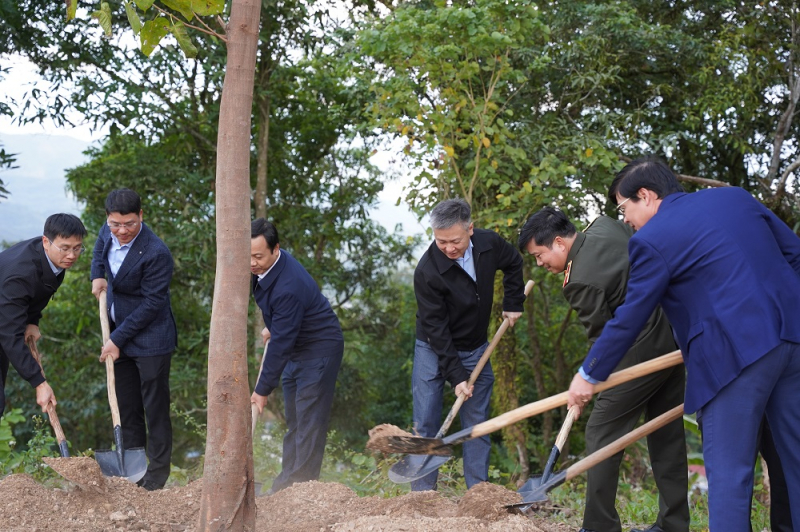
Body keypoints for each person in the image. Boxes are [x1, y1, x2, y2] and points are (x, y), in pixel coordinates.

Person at [566, 156, 800, 531]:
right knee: (794, 460)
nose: (625, 220)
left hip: (733, 357)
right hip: (792, 338)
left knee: (730, 474)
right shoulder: (735, 197)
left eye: (623, 208)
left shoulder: (651, 240)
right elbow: (794, 255)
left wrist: (588, 374)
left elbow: (630, 317)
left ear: (646, 195)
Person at [518, 207, 689, 532]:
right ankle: (673, 525)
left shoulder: (579, 281)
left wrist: (588, 379)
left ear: (559, 243)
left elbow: (604, 337)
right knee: (666, 435)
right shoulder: (604, 226)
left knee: (600, 432)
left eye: (539, 255)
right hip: (672, 337)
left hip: (638, 352)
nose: (540, 264)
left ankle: (599, 527)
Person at [412, 198, 525, 491]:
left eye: (455, 241)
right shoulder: (427, 271)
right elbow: (436, 330)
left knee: (477, 423)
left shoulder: (488, 244)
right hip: (433, 347)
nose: (449, 248)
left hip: (475, 347)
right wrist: (457, 375)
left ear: (470, 229)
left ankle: (478, 493)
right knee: (426, 421)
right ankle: (422, 495)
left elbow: (514, 262)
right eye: (441, 242)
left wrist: (513, 302)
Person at [250, 218, 344, 494]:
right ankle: (286, 486)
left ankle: (301, 490)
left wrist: (262, 390)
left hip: (318, 351)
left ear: (276, 249)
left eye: (258, 256)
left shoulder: (288, 286)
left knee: (309, 423)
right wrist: (275, 324)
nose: (252, 263)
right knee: (295, 422)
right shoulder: (268, 268)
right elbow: (283, 320)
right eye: (249, 256)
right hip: (295, 347)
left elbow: (280, 345)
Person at [91, 188, 177, 491]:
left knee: (155, 408)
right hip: (118, 334)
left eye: (129, 224)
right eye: (116, 224)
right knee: (126, 406)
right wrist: (97, 274)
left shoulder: (156, 253)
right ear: (108, 218)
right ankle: (132, 471)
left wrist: (116, 339)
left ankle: (157, 475)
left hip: (151, 337)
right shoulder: (108, 229)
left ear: (141, 216)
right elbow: (99, 250)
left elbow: (152, 305)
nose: (122, 230)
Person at [0, 213, 87, 416]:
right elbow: (9, 335)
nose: (72, 255)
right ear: (46, 242)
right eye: (65, 248)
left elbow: (36, 292)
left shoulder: (53, 258)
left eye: (77, 248)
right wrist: (39, 383)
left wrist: (32, 321)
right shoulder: (21, 276)